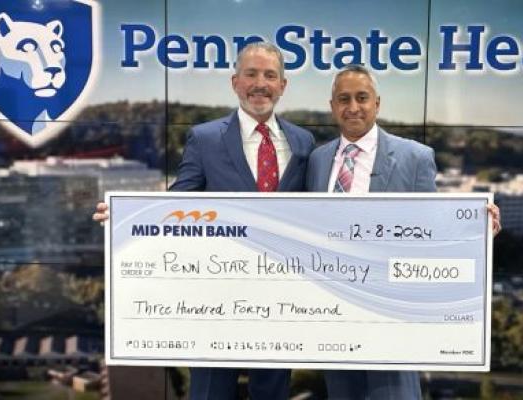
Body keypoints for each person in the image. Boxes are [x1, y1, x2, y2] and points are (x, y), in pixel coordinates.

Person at [94, 42, 315, 400]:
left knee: (273, 390)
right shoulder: (205, 137)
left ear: (283, 85)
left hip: (279, 299)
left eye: (270, 75)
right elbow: (180, 200)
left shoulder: (304, 142)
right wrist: (127, 215)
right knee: (211, 390)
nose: (260, 83)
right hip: (214, 296)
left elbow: (316, 212)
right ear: (235, 82)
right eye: (251, 74)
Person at [306, 64, 501, 400]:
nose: (353, 107)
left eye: (362, 97)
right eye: (344, 99)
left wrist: (476, 233)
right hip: (334, 320)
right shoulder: (317, 160)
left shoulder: (414, 157)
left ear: (377, 103)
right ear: (332, 106)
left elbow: (433, 232)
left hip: (391, 316)